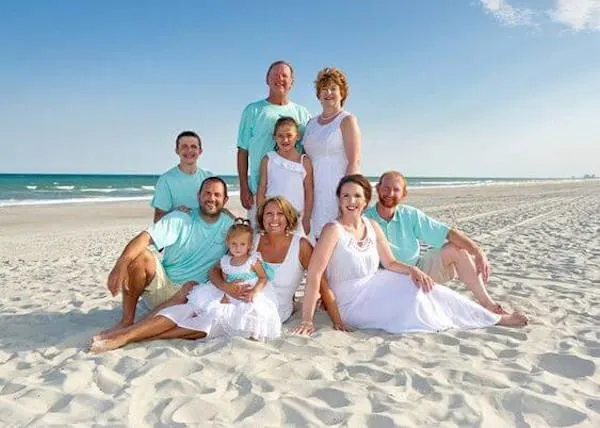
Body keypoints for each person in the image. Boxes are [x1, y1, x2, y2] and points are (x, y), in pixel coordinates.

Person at [293, 174, 528, 336]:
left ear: (365, 201)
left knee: (426, 288)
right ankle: (486, 318)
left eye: (356, 196)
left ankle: (491, 315)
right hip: (351, 300)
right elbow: (314, 276)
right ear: (339, 199)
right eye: (345, 196)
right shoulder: (332, 230)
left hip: (376, 283)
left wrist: (413, 270)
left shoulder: (370, 225)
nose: (351, 201)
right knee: (413, 302)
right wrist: (307, 319)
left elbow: (391, 262)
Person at [90, 220, 281, 352]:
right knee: (184, 310)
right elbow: (221, 276)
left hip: (246, 301)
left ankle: (137, 336)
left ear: (249, 246)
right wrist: (225, 290)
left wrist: (253, 292)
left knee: (205, 323)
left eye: (242, 244)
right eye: (233, 244)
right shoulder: (225, 260)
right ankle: (126, 334)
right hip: (220, 295)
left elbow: (263, 278)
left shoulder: (253, 259)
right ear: (228, 243)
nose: (237, 248)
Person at [100, 176, 233, 335]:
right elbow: (145, 237)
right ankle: (126, 320)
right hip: (164, 288)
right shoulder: (181, 217)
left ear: (225, 200)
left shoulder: (230, 226)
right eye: (207, 193)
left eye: (217, 195)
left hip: (195, 297)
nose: (211, 198)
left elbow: (248, 245)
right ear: (199, 195)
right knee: (141, 257)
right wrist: (120, 265)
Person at [364, 171, 506, 314]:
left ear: (404, 194)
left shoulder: (410, 214)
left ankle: (488, 304)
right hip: (385, 279)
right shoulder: (365, 218)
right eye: (386, 188)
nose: (390, 193)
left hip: (418, 271)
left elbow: (448, 233)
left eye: (396, 190)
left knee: (456, 249)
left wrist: (478, 251)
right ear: (378, 189)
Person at [237, 60, 311, 224]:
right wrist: (243, 187)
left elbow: (307, 153)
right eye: (275, 75)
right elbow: (242, 150)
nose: (280, 78)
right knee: (260, 240)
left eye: (285, 75)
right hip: (260, 191)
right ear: (267, 79)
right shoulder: (253, 110)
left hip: (294, 195)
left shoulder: (302, 113)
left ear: (291, 82)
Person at [303, 67, 362, 238]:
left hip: (335, 190)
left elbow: (354, 163)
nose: (328, 92)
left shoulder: (347, 120)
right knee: (313, 240)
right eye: (324, 89)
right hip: (312, 193)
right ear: (318, 94)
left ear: (342, 93)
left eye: (333, 88)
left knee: (336, 239)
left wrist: (347, 197)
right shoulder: (311, 123)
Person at [257, 117, 314, 234]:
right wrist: (261, 215)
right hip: (273, 217)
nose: (285, 139)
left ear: (297, 136)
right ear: (274, 137)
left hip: (296, 217)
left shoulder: (304, 161)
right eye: (280, 136)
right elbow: (261, 189)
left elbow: (309, 192)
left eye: (289, 135)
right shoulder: (268, 159)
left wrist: (307, 218)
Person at [151, 131, 213, 222]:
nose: (189, 150)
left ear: (200, 151)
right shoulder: (166, 180)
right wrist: (175, 213)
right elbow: (157, 219)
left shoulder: (210, 178)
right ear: (177, 150)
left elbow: (219, 210)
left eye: (193, 146)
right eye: (184, 146)